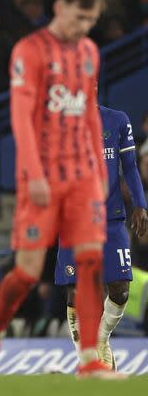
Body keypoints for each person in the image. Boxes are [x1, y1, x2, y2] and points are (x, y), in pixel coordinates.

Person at [0, 0, 121, 379]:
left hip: (83, 177)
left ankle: (90, 359)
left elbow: (89, 113)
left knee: (92, 261)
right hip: (41, 177)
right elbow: (20, 116)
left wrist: (99, 168)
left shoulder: (90, 51)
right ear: (59, 8)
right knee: (26, 273)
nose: (85, 28)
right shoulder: (30, 50)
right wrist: (34, 173)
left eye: (91, 21)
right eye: (79, 18)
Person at [54, 105, 148, 370]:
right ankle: (89, 362)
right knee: (75, 291)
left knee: (120, 289)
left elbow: (129, 167)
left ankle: (100, 338)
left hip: (111, 217)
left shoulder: (117, 120)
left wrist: (141, 204)